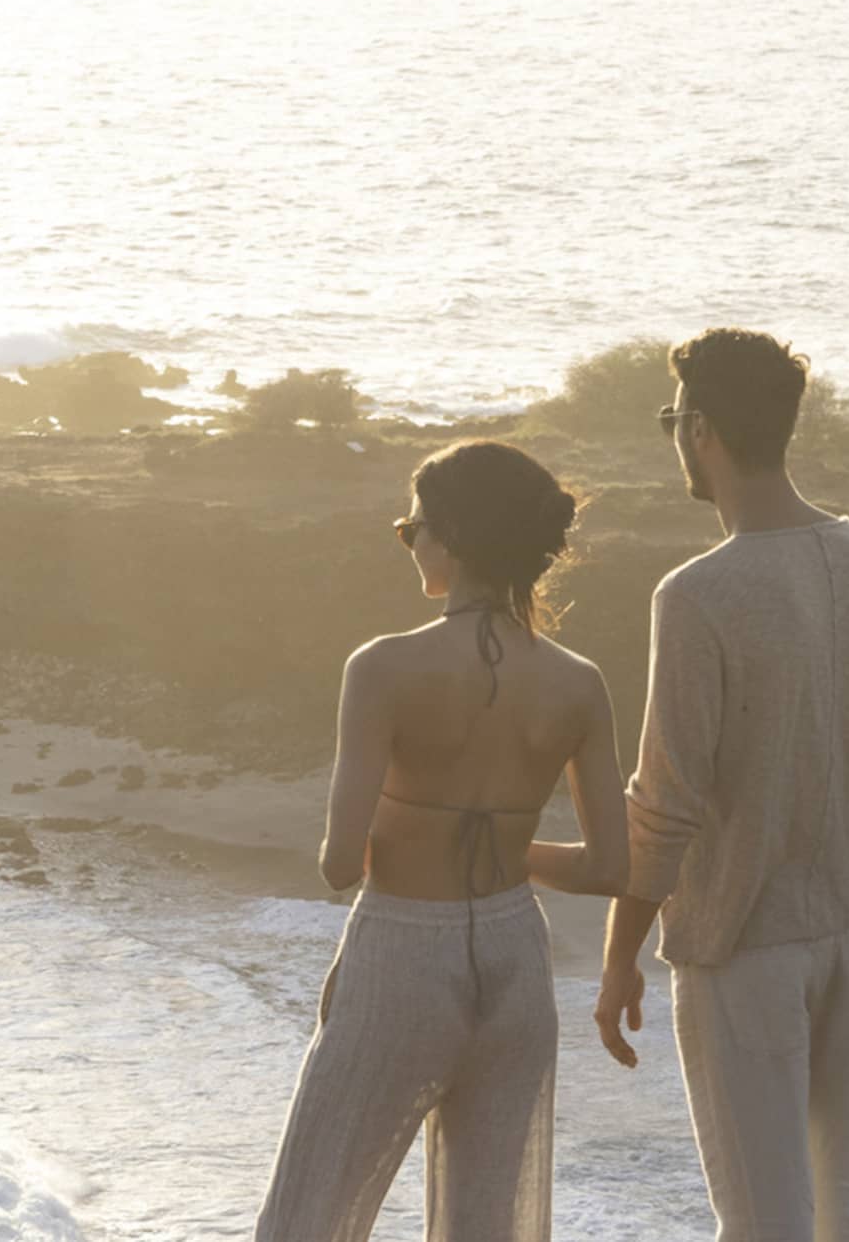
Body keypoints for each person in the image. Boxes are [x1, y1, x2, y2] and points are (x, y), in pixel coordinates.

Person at [595, 328, 849, 1242]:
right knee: (834, 1212)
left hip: (741, 941)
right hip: (848, 935)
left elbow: (666, 805)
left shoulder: (699, 592)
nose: (675, 435)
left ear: (701, 427)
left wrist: (619, 956)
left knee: (760, 1221)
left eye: (674, 420)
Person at [254, 439, 628, 1242]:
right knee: (488, 1224)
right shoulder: (580, 681)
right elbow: (610, 867)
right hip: (516, 959)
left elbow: (337, 863)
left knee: (310, 1215)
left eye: (410, 526)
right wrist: (501, 845)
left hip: (403, 953)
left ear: (449, 537)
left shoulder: (384, 665)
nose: (408, 541)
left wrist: (421, 821)